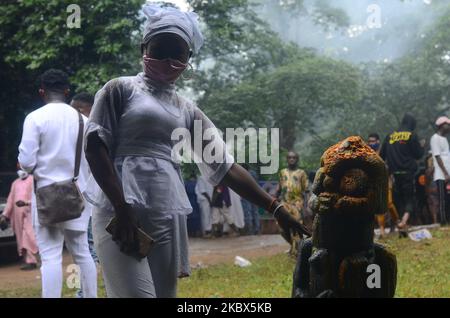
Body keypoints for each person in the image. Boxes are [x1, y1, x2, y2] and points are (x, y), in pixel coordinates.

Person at [83, 4, 306, 298]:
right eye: (161, 49)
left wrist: (276, 208)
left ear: (189, 59)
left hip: (165, 212)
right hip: (118, 213)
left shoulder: (186, 110)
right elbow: (94, 146)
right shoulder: (119, 90)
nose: (169, 60)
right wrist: (122, 207)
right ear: (144, 46)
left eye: (179, 55)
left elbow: (226, 168)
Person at [18, 69, 97, 298]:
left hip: (46, 198)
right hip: (78, 196)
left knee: (51, 256)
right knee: (82, 252)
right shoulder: (84, 121)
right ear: (66, 91)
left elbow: (26, 163)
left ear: (42, 92)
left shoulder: (35, 118)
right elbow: (93, 162)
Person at [380, 113, 424, 234]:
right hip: (408, 172)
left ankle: (400, 224)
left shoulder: (390, 136)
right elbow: (419, 154)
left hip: (394, 174)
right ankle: (404, 222)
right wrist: (421, 145)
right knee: (409, 198)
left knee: (397, 199)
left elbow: (381, 156)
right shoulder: (411, 135)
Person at [0, 165, 38, 270]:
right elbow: (10, 200)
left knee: (28, 236)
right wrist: (4, 215)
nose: (21, 170)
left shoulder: (32, 180)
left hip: (30, 214)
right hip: (17, 217)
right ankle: (29, 260)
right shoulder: (15, 183)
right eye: (18, 168)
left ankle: (32, 260)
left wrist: (26, 203)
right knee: (21, 238)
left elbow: (36, 198)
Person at [276, 151, 309, 256]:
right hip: (284, 203)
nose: (291, 159)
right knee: (281, 227)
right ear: (287, 159)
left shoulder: (301, 173)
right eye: (289, 157)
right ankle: (293, 246)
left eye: (294, 157)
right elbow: (279, 188)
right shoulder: (282, 172)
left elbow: (306, 190)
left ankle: (297, 253)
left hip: (297, 204)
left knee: (296, 228)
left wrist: (306, 206)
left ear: (297, 159)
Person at [367, 133, 399, 237]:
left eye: (373, 141)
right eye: (370, 141)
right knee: (378, 205)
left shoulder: (384, 150)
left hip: (386, 180)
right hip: (374, 182)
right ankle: (381, 229)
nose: (371, 143)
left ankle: (397, 223)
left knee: (389, 204)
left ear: (378, 141)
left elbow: (389, 164)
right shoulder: (367, 153)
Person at [429, 116, 450, 225]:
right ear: (442, 126)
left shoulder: (445, 139)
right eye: (448, 124)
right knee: (442, 199)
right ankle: (443, 221)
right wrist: (446, 173)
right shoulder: (435, 138)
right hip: (441, 174)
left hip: (448, 174)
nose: (449, 127)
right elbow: (437, 156)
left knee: (448, 198)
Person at [241, 164, 260, 235]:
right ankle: (257, 229)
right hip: (255, 195)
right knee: (255, 212)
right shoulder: (253, 173)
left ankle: (250, 229)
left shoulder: (243, 174)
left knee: (247, 212)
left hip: (246, 195)